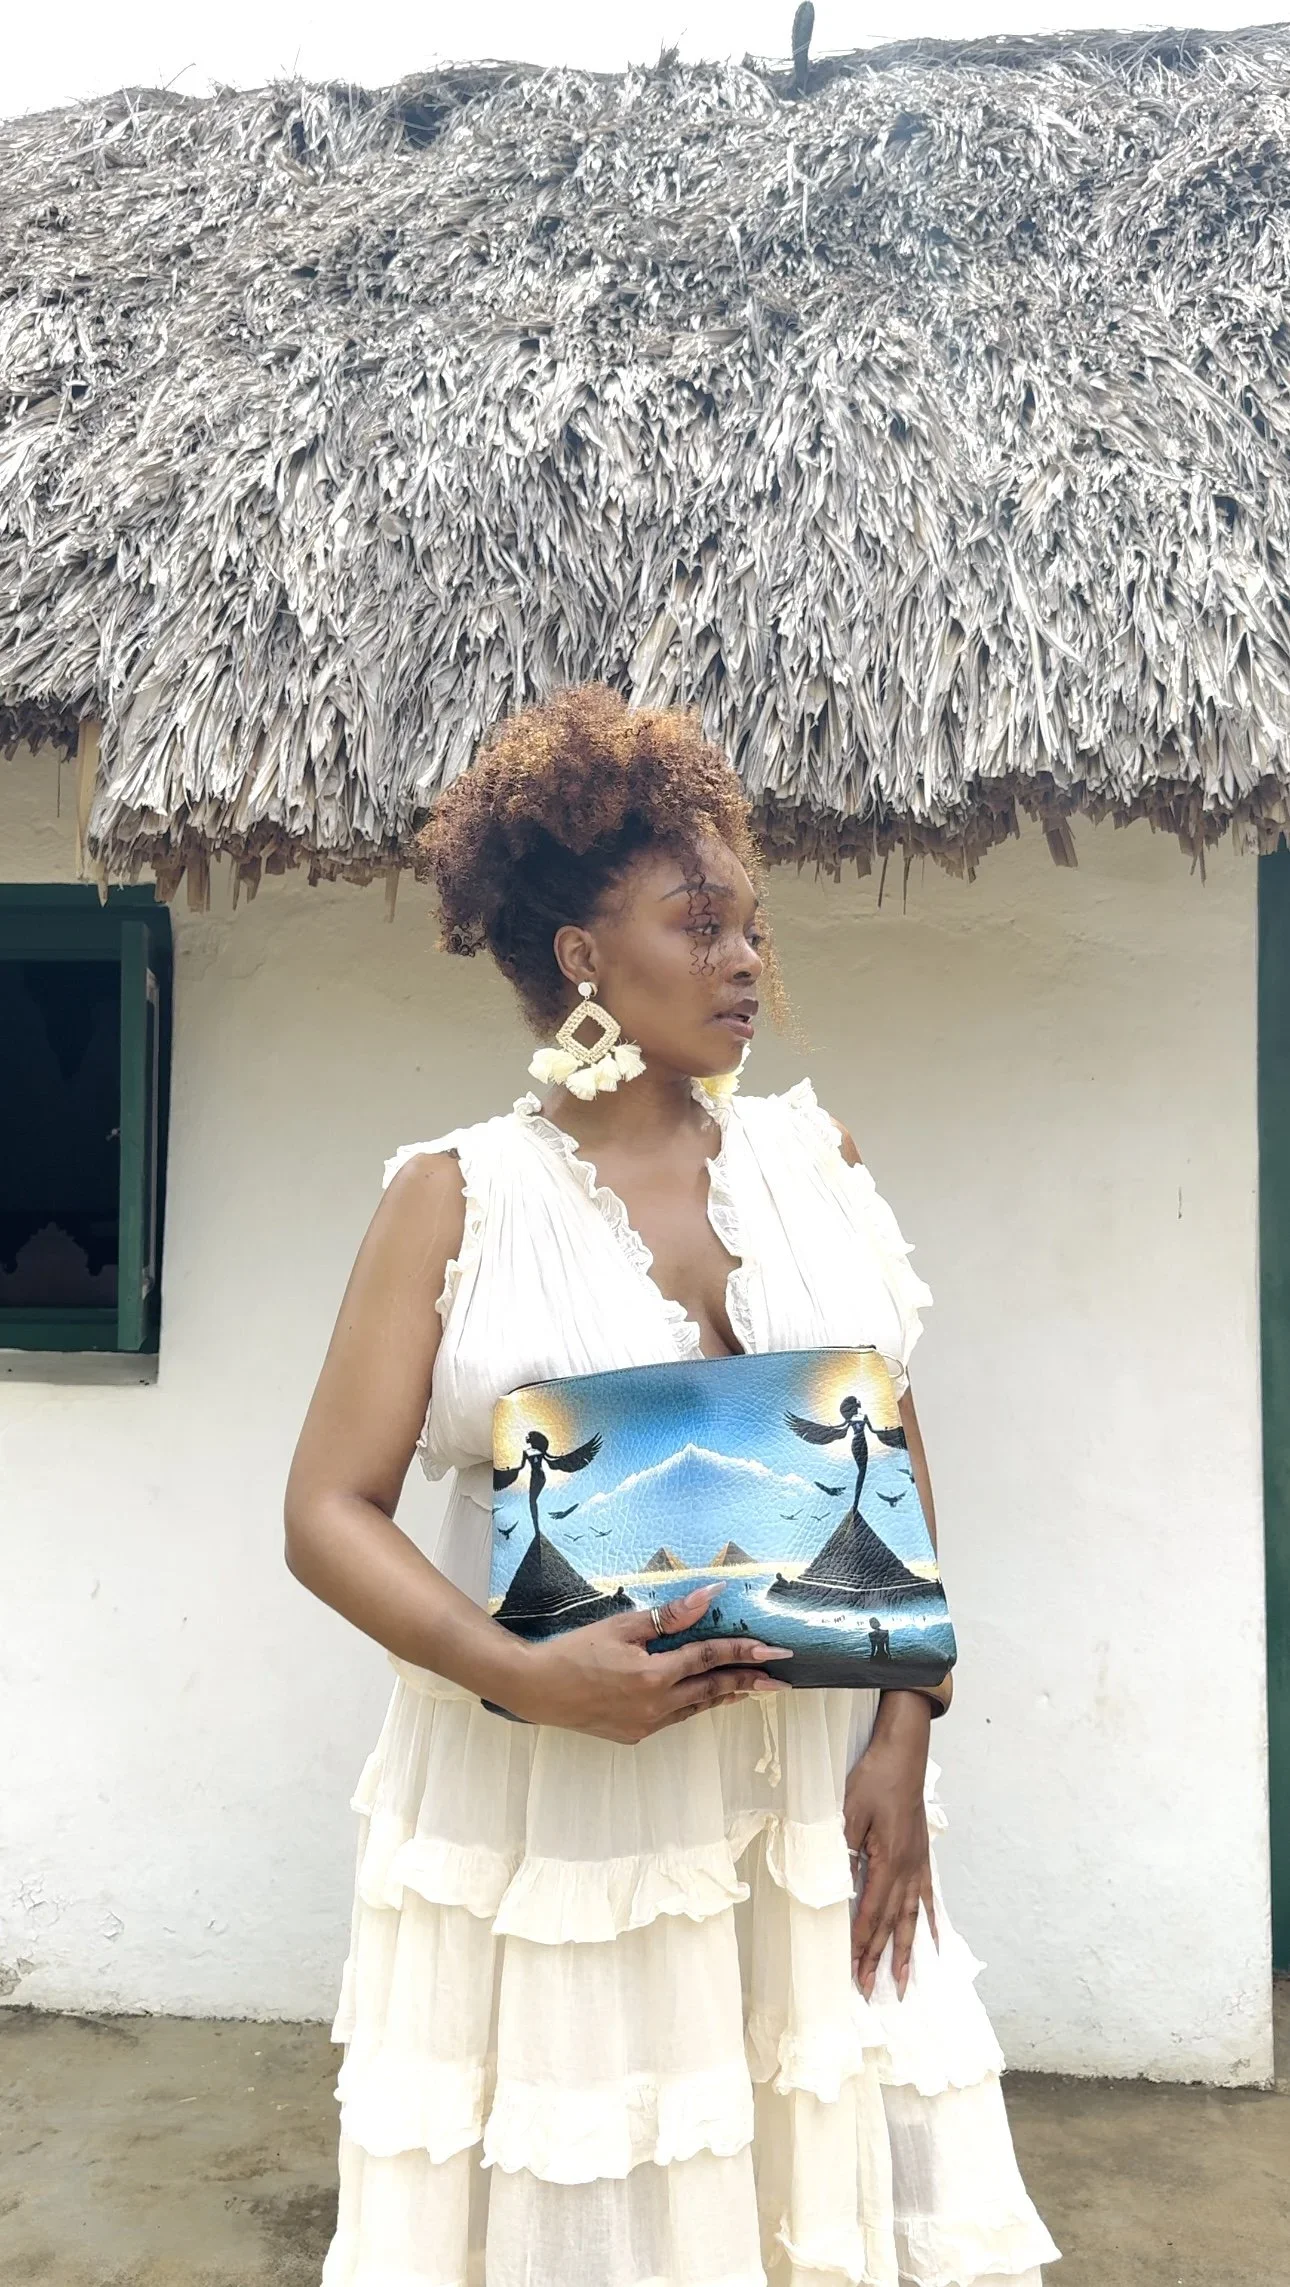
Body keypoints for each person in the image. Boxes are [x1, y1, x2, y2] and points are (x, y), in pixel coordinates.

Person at [285, 685, 1059, 2287]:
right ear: (579, 950)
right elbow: (323, 1509)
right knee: (606, 2186)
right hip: (558, 1802)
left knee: (808, 2168)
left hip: (795, 1791)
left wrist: (906, 1726)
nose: (746, 961)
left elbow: (890, 1447)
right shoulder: (455, 1198)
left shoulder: (807, 1158)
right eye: (700, 922)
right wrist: (521, 1675)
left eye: (751, 927)